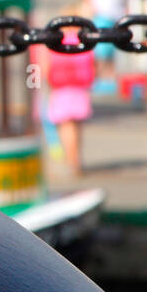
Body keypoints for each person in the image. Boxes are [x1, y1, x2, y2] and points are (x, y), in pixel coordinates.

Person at [35, 14, 97, 177]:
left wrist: (39, 85)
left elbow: (44, 66)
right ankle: (76, 160)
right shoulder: (84, 41)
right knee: (76, 126)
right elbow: (93, 64)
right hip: (80, 87)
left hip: (60, 88)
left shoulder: (55, 42)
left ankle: (72, 162)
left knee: (66, 126)